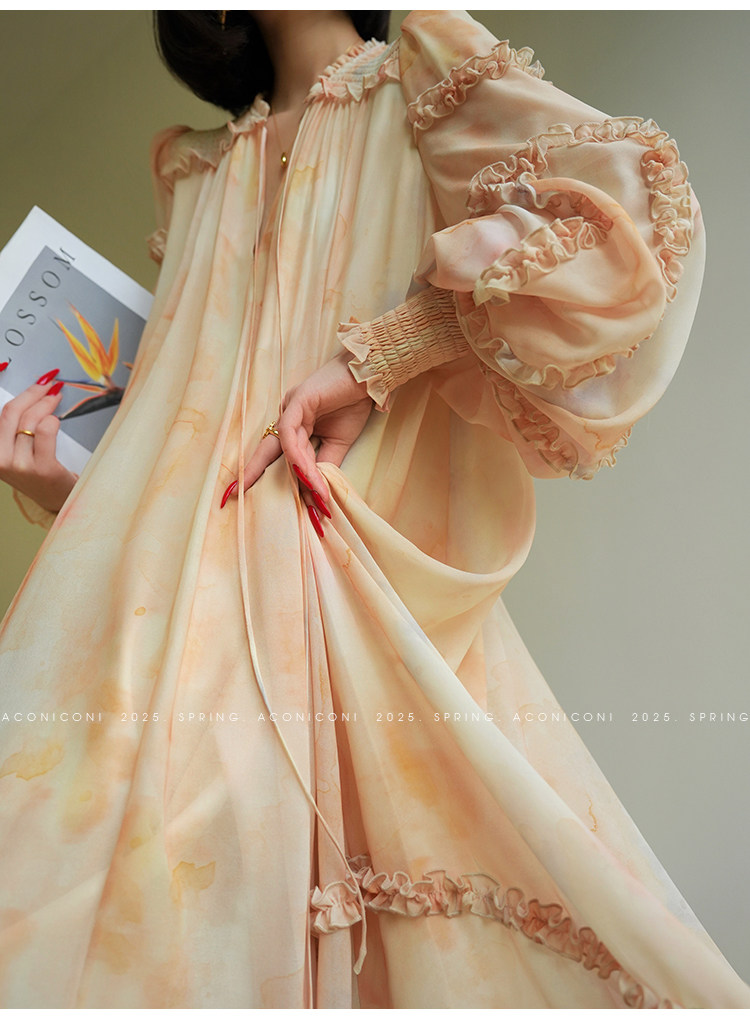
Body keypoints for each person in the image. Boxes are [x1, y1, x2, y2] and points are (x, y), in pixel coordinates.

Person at [0, 9, 748, 1009]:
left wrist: (386, 351)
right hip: (157, 621)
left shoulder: (423, 83)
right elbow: (181, 445)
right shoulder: (195, 173)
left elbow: (628, 224)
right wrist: (69, 495)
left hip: (333, 590)